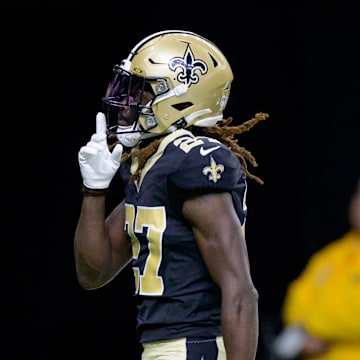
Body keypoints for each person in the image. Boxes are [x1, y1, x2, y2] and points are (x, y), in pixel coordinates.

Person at [74, 29, 269, 360]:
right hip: (166, 347)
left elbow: (241, 293)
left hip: (196, 346)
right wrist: (93, 190)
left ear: (180, 96)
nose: (126, 105)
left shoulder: (191, 159)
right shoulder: (155, 162)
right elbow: (94, 272)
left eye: (142, 93)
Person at [272, 177, 360, 360]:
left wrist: (307, 329)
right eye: (358, 195)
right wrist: (308, 333)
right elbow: (294, 302)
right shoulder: (329, 256)